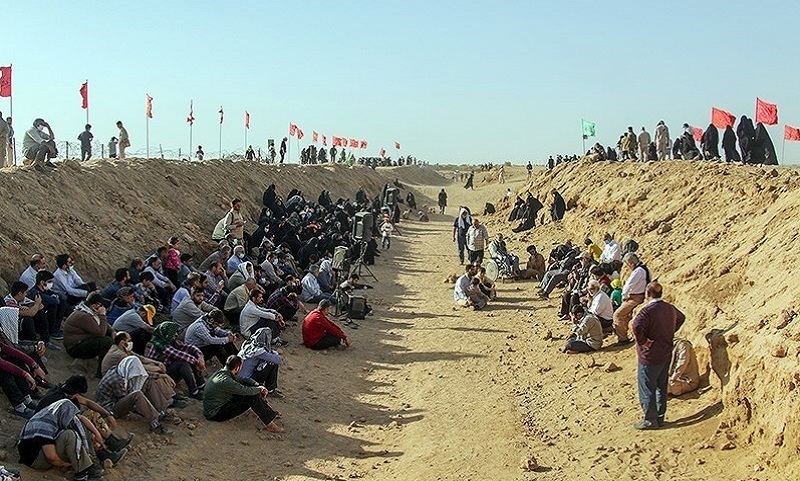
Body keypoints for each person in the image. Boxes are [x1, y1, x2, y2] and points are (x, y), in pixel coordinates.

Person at [632, 282, 685, 430]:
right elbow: (681, 318)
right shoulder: (669, 308)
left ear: (647, 294)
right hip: (665, 352)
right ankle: (660, 417)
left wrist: (643, 341)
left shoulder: (646, 312)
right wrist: (669, 331)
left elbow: (636, 326)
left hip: (650, 356)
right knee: (661, 387)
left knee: (647, 387)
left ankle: (650, 419)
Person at [17, 399, 105, 481]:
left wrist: (96, 434)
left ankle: (89, 461)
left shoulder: (50, 415)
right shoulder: (46, 425)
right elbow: (51, 457)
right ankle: (82, 474)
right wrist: (65, 464)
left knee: (73, 432)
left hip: (35, 453)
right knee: (69, 435)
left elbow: (79, 419)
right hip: (35, 460)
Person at [203, 355, 285, 432]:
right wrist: (260, 389)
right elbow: (246, 391)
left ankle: (268, 413)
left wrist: (256, 384)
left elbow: (243, 379)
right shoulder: (226, 381)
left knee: (251, 389)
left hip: (215, 406)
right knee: (251, 397)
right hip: (215, 413)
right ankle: (270, 424)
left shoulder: (222, 372)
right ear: (237, 368)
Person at [95, 356, 173, 435]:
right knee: (137, 395)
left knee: (148, 382)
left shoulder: (121, 369)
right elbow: (128, 402)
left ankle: (161, 411)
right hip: (109, 409)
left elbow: (143, 374)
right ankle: (154, 423)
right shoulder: (117, 380)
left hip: (117, 400)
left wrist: (162, 375)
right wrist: (145, 408)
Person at [144, 322, 205, 400]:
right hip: (160, 376)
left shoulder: (170, 341)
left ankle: (201, 384)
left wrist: (200, 356)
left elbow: (189, 347)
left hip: (167, 369)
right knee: (182, 363)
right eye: (174, 332)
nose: (176, 334)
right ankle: (194, 391)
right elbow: (181, 355)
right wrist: (198, 362)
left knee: (191, 356)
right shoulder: (161, 346)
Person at [62, 292, 114, 377]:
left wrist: (112, 331)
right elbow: (101, 333)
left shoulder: (89, 312)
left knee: (108, 336)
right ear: (94, 305)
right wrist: (103, 315)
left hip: (82, 341)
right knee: (106, 341)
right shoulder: (84, 315)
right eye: (100, 305)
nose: (102, 308)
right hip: (74, 347)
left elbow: (102, 325)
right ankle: (100, 371)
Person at [613, 252, 650, 345]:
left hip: (635, 297)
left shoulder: (638, 271)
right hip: (637, 296)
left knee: (617, 315)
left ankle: (623, 339)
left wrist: (624, 296)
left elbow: (629, 284)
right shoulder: (643, 269)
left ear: (631, 262)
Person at [237, 327, 283, 397]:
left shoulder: (248, 344)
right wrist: (274, 354)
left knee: (269, 360)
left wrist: (271, 354)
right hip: (246, 381)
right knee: (272, 363)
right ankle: (270, 389)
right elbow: (278, 359)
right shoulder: (259, 351)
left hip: (237, 378)